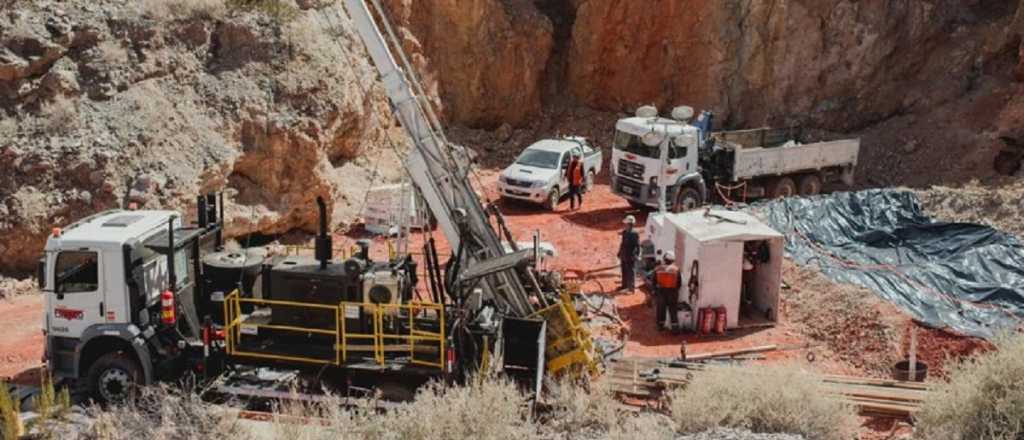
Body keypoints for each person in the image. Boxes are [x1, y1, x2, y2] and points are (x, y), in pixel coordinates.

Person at [654, 251, 682, 333]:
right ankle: (675, 329)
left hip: (661, 292)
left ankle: (660, 327)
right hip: (673, 292)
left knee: (661, 310)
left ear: (664, 259)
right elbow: (679, 283)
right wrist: (675, 290)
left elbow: (654, 282)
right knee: (673, 310)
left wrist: (655, 291)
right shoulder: (676, 269)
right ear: (673, 260)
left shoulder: (658, 268)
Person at [618, 215, 639, 291]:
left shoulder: (635, 234)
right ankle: (624, 285)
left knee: (631, 271)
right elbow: (622, 243)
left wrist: (637, 254)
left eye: (627, 224)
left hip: (630, 255)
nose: (625, 225)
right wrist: (619, 252)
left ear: (630, 224)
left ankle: (631, 287)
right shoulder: (624, 232)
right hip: (624, 254)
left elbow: (637, 245)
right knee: (624, 270)